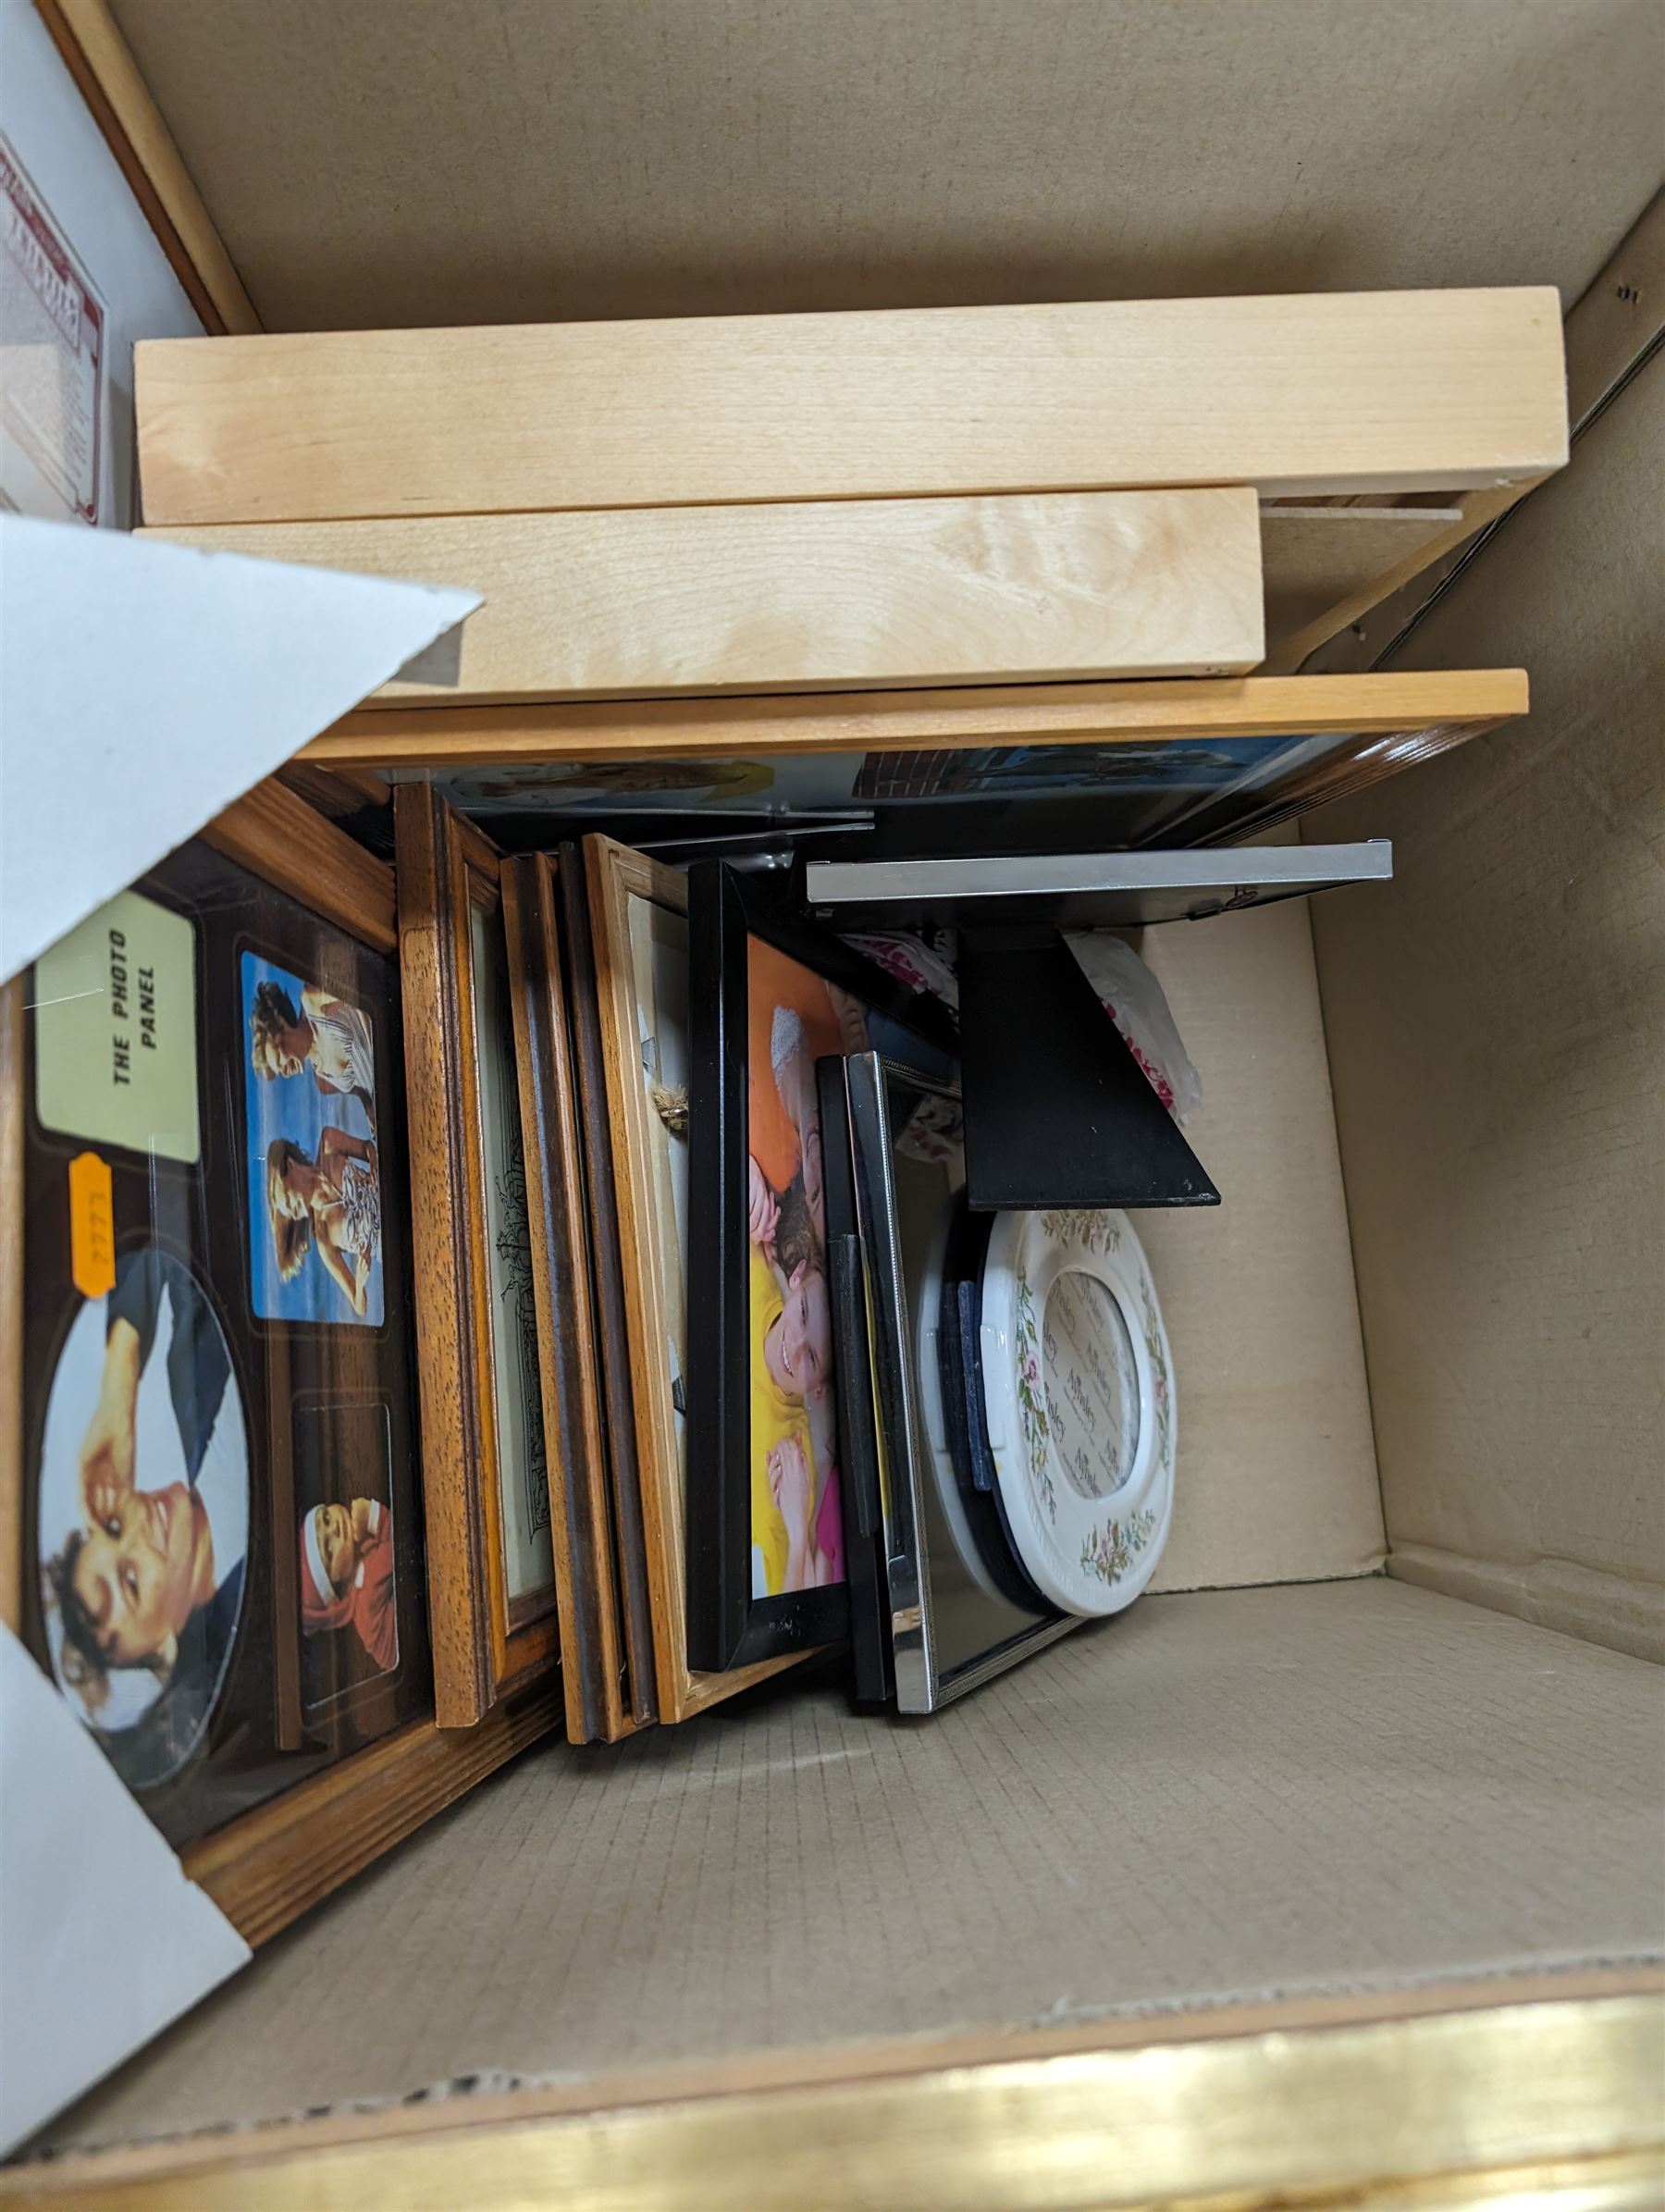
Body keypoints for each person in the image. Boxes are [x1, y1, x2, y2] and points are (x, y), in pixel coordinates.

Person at [42, 1250, 246, 1767]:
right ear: (164, 1651)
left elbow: (160, 1247)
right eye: (131, 1581)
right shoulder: (272, 1603)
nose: (132, 1519)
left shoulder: (189, 1371)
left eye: (110, 1528)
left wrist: (119, 1383)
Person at [266, 1127, 380, 1316]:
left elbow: (369, 1147)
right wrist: (360, 1282)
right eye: (289, 1214)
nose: (294, 1214)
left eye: (288, 1200)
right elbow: (359, 1306)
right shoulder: (324, 1240)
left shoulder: (329, 1143)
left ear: (291, 1164)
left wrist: (375, 1165)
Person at [249, 979, 376, 1128]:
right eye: (279, 1072)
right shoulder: (322, 1079)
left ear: (281, 1023)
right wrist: (369, 1108)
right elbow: (363, 1090)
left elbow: (362, 985)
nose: (283, 1072)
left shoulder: (312, 1000)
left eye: (278, 1059)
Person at [300, 1497, 397, 1674]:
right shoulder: (366, 1587)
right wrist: (374, 1517)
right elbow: (404, 1543)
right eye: (329, 1550)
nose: (335, 1528)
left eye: (326, 1519)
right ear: (336, 1586)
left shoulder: (360, 1555)